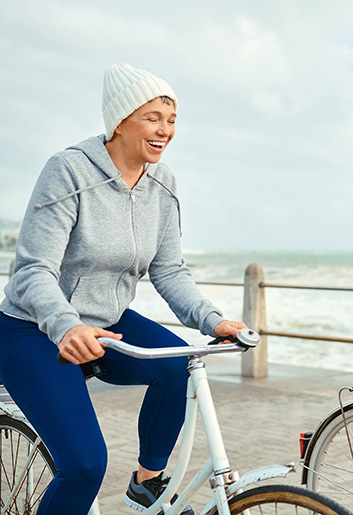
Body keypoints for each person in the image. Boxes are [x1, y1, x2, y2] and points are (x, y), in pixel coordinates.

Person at [0, 63, 247, 514]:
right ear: (119, 121)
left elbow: (169, 269)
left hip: (107, 323)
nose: (165, 130)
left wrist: (213, 320)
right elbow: (33, 270)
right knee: (86, 466)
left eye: (171, 120)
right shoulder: (68, 170)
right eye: (153, 117)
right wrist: (66, 325)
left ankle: (146, 481)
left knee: (179, 367)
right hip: (34, 329)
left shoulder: (163, 183)